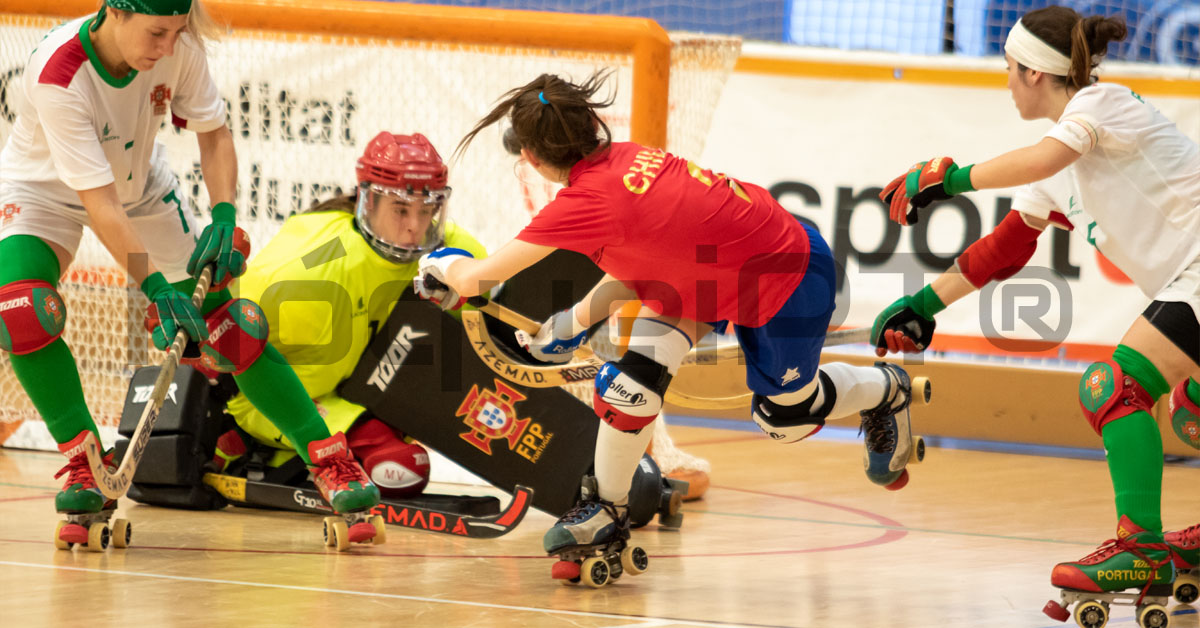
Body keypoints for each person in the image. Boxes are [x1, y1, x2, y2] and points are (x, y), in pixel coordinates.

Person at [415, 70, 925, 567]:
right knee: (629, 386)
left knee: (786, 418)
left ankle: (886, 389)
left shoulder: (585, 202)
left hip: (787, 277)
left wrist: (437, 261)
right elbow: (651, 265)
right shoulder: (626, 159)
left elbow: (475, 280)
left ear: (531, 157)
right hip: (708, 276)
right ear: (593, 126)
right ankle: (606, 510)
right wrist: (573, 321)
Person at [0, 0, 379, 548]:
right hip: (44, 194)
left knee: (232, 327)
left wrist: (224, 212)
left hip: (141, 191)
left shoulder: (177, 43)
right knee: (21, 311)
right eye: (157, 33)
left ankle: (330, 461)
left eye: (178, 33)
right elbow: (98, 204)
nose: (168, 48)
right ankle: (84, 460)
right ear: (115, 13)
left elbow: (215, 134)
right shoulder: (59, 73)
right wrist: (153, 287)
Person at [871, 4, 1200, 607]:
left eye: (1008, 67)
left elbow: (1045, 159)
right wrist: (922, 305)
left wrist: (952, 178)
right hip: (1189, 281)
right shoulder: (1056, 163)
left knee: (1116, 384)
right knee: (1189, 409)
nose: (1004, 80)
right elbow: (1002, 250)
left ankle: (1142, 551)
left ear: (1033, 73)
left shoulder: (1099, 106)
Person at [212, 131, 486, 500]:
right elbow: (224, 334)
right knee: (404, 469)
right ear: (368, 202)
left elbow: (496, 311)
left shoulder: (454, 252)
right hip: (286, 399)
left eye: (427, 211)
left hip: (363, 392)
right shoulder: (307, 266)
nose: (415, 228)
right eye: (401, 210)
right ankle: (247, 439)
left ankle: (268, 450)